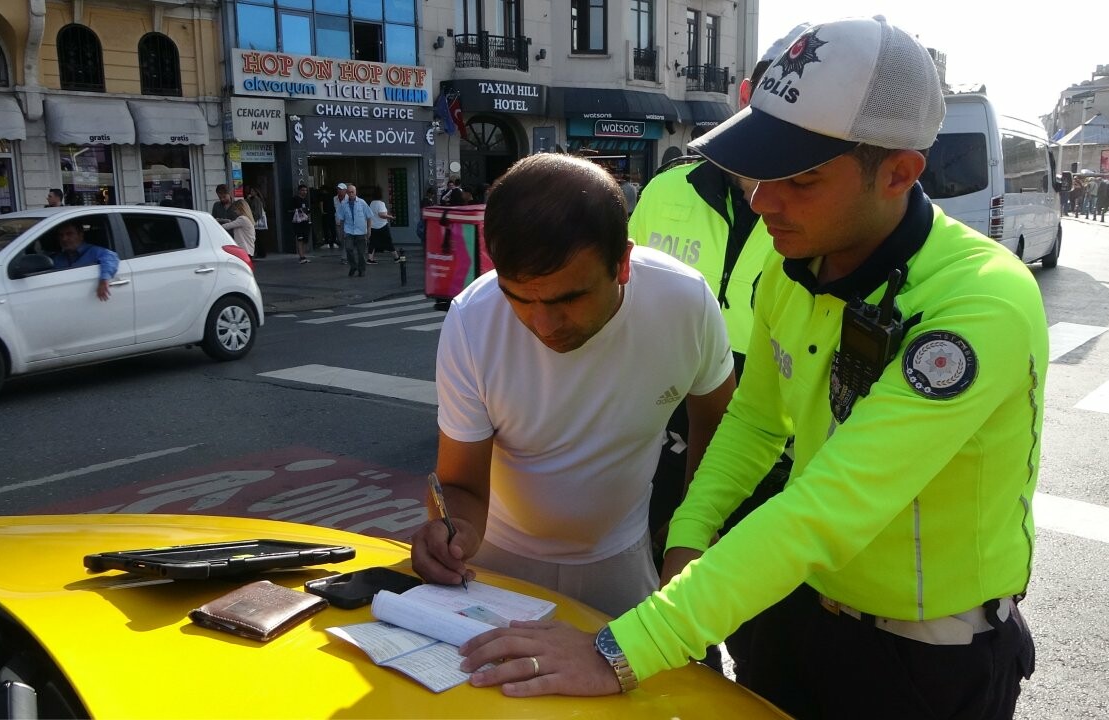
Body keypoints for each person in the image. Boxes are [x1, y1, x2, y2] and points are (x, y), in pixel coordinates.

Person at [461, 18, 1045, 720]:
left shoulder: (982, 300)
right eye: (760, 170)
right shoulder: (791, 268)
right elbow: (757, 420)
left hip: (925, 660)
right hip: (789, 614)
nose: (764, 201)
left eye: (800, 179)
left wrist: (622, 649)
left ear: (898, 173)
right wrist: (686, 536)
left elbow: (831, 506)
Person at [409, 153, 735, 618]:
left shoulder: (685, 302)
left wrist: (693, 526)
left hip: (620, 555)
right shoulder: (472, 320)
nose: (543, 324)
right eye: (517, 297)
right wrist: (450, 530)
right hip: (496, 561)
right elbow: (461, 485)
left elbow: (719, 423)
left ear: (622, 262)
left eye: (569, 298)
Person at [628, 20, 808, 678]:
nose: (769, 197)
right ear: (742, 95)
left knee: (766, 636)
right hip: (673, 417)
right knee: (678, 628)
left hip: (777, 432)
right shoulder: (665, 190)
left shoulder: (813, 220)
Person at [50, 220, 120, 301]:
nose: (64, 239)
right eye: (61, 235)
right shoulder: (57, 258)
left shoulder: (94, 252)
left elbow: (111, 257)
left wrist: (104, 280)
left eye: (69, 234)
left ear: (81, 235)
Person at [337, 184, 373, 277]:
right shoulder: (343, 205)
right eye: (349, 192)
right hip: (349, 231)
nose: (351, 194)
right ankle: (353, 266)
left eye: (352, 192)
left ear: (356, 192)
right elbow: (342, 219)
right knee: (349, 249)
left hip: (361, 231)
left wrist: (369, 229)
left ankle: (362, 269)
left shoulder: (362, 202)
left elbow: (369, 217)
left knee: (361, 253)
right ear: (346, 193)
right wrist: (341, 232)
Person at [367, 189, 396, 263]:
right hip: (382, 226)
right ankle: (396, 257)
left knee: (372, 243)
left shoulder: (372, 203)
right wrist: (390, 217)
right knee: (388, 241)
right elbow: (381, 215)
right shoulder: (381, 203)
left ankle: (370, 259)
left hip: (373, 226)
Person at [290, 184, 313, 263]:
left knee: (305, 239)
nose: (304, 192)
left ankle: (304, 255)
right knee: (300, 239)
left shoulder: (306, 200)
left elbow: (308, 211)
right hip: (297, 222)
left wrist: (309, 221)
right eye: (303, 190)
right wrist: (298, 210)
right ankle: (301, 256)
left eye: (306, 190)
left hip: (305, 222)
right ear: (299, 191)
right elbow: (290, 209)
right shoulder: (295, 199)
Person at [245, 186, 267, 258]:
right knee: (259, 237)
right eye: (250, 191)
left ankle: (261, 253)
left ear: (256, 192)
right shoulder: (254, 199)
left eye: (252, 191)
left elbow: (257, 212)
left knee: (259, 237)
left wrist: (253, 219)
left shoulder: (257, 200)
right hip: (258, 220)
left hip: (258, 221)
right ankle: (260, 253)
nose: (251, 193)